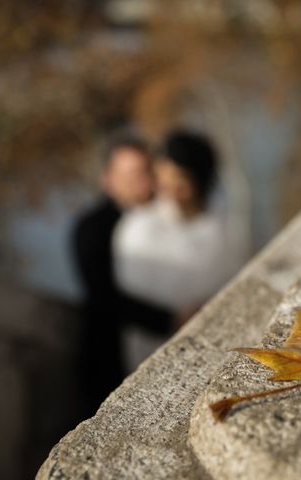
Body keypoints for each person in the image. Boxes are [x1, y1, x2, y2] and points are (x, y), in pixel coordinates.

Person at [72, 133, 173, 415]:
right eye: (130, 175)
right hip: (108, 360)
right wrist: (171, 319)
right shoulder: (91, 228)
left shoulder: (165, 217)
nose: (142, 182)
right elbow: (102, 295)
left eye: (145, 172)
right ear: (108, 180)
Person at [111, 129, 233, 330]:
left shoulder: (221, 230)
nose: (171, 188)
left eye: (180, 179)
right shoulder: (137, 227)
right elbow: (129, 295)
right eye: (164, 178)